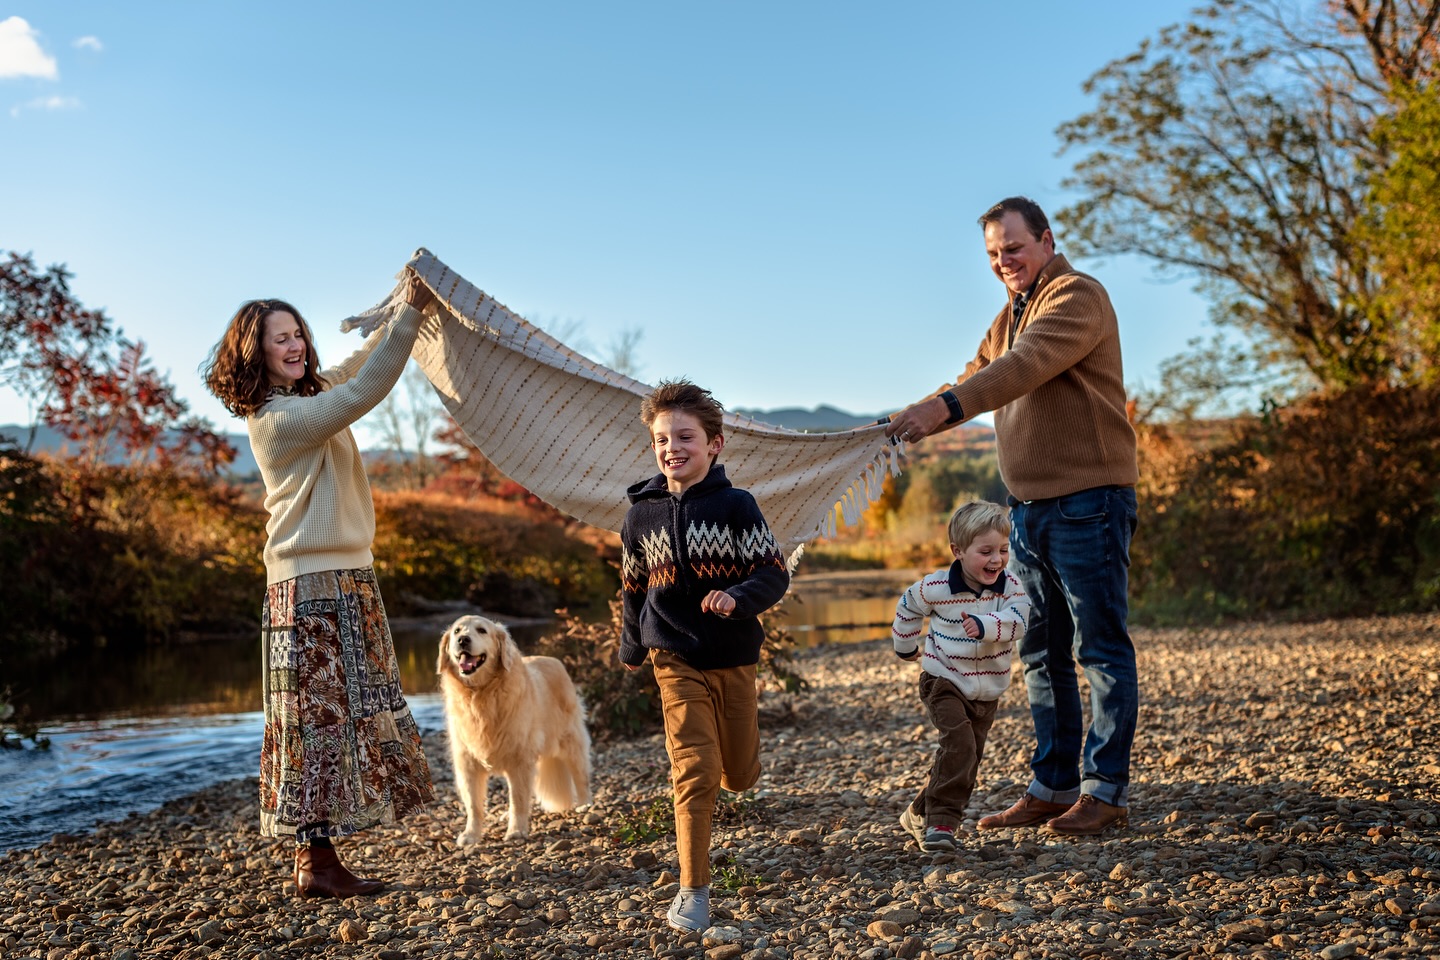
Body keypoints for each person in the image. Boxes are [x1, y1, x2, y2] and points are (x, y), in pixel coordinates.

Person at [885, 196, 1139, 836]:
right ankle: (1052, 788)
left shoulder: (1077, 296)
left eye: (1015, 248)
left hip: (1090, 500)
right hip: (1027, 512)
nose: (1005, 262)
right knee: (1037, 650)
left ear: (1047, 241)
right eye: (995, 254)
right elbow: (978, 371)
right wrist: (905, 417)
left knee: (1100, 649)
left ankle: (1104, 791)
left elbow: (1020, 369)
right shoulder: (1008, 316)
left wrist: (943, 409)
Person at [202, 272, 438, 897]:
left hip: (344, 576)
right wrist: (411, 315)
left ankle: (319, 862)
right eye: (280, 338)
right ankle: (315, 864)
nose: (295, 343)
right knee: (314, 723)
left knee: (333, 719)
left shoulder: (310, 396)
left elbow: (361, 364)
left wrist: (403, 313)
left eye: (297, 332)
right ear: (255, 354)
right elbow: (366, 390)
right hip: (308, 586)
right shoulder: (279, 418)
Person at [617, 379, 790, 933]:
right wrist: (631, 646)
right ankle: (694, 890)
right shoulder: (640, 515)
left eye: (685, 436)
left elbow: (772, 572)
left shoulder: (737, 506)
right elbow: (633, 587)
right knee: (694, 769)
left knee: (736, 773)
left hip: (733, 655)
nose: (673, 447)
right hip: (674, 657)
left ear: (714, 444)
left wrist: (738, 598)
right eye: (662, 438)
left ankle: (736, 769)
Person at [892, 501, 1030, 852]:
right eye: (985, 551)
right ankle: (941, 824)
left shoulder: (1010, 587)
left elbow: (1020, 621)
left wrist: (986, 626)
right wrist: (905, 645)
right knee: (960, 745)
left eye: (1002, 550)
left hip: (987, 691)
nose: (996, 559)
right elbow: (909, 603)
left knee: (966, 759)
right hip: (944, 680)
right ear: (958, 551)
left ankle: (918, 811)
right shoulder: (937, 586)